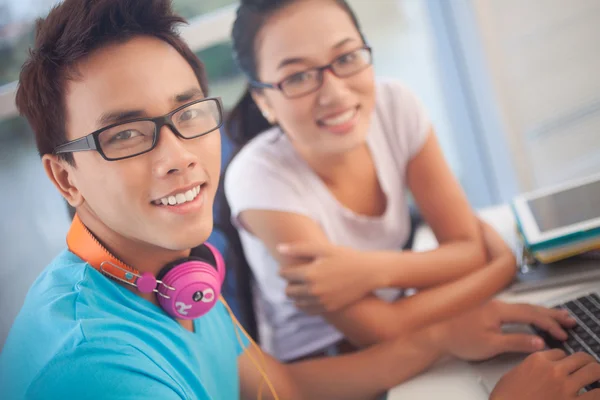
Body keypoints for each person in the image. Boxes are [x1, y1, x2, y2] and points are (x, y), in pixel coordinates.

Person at [1, 1, 599, 399]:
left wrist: (439, 339)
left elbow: (278, 384)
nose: (179, 154)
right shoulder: (95, 368)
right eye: (125, 134)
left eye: (188, 113)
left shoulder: (173, 272)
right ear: (66, 179)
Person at [223, 0, 513, 361]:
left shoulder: (394, 106)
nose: (335, 94)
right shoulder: (258, 178)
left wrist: (369, 270)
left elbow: (467, 250)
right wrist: (501, 268)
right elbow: (380, 330)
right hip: (329, 366)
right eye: (297, 77)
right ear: (264, 100)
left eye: (346, 58)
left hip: (416, 330)